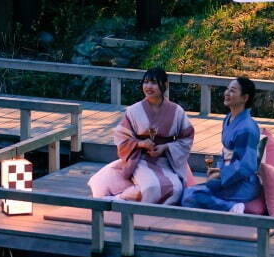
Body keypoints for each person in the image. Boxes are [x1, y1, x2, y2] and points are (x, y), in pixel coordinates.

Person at [87, 67, 195, 204]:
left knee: (176, 189)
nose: (148, 86)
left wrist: (166, 147)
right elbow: (122, 137)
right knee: (151, 187)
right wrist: (140, 143)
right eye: (146, 82)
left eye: (154, 83)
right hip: (141, 159)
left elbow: (187, 137)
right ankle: (120, 199)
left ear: (165, 85)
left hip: (165, 160)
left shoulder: (176, 111)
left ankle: (141, 203)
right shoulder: (133, 110)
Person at [181, 76, 262, 213]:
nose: (227, 93)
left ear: (245, 98)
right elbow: (227, 154)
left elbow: (247, 165)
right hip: (229, 179)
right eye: (227, 89)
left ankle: (231, 207)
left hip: (242, 184)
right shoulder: (228, 119)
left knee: (191, 196)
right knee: (188, 193)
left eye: (233, 91)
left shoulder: (247, 128)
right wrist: (218, 170)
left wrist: (222, 174)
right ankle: (226, 205)